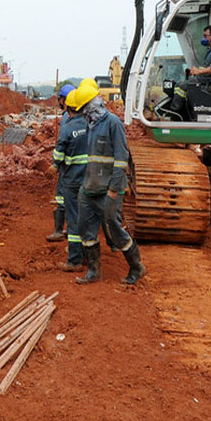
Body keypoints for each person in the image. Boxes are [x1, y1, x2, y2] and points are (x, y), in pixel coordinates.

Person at [70, 79, 146, 285]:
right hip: (89, 189)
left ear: (92, 105)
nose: (83, 113)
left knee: (114, 230)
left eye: (84, 109)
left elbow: (121, 159)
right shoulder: (90, 125)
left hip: (108, 192)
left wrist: (114, 190)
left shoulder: (113, 123)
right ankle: (94, 271)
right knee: (85, 229)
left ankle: (137, 267)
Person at [54, 91, 88, 271]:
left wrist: (55, 164)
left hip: (72, 179)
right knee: (88, 218)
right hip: (89, 180)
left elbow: (59, 155)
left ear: (68, 107)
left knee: (74, 220)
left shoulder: (67, 128)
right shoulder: (91, 125)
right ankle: (88, 255)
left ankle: (75, 260)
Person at [168, 24, 211, 117]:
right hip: (206, 80)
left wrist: (199, 72)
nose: (203, 38)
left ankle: (174, 114)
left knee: (180, 86)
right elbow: (207, 68)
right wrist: (194, 71)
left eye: (206, 36)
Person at [46, 83, 75, 242]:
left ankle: (59, 230)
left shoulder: (67, 118)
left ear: (64, 100)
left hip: (67, 165)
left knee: (63, 197)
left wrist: (56, 164)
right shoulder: (82, 118)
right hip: (78, 167)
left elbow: (62, 143)